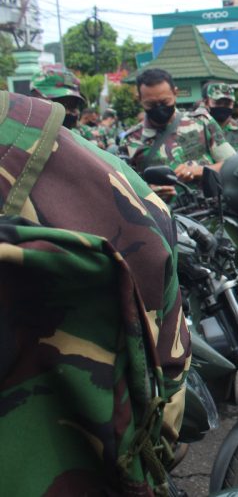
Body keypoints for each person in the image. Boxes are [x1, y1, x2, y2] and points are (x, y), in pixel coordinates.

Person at [0, 90, 189, 494]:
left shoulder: (194, 128)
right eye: (57, 100)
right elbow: (163, 406)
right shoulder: (104, 163)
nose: (68, 109)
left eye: (73, 102)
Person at [122, 68, 235, 196]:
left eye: (165, 102)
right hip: (163, 213)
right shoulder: (130, 141)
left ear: (176, 93)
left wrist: (198, 170)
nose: (159, 108)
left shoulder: (201, 122)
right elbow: (124, 190)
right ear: (139, 100)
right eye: (151, 104)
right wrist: (148, 193)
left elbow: (232, 164)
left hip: (209, 210)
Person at [201, 81, 238, 152]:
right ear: (206, 103)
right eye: (218, 103)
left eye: (227, 104)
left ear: (233, 105)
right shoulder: (199, 131)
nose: (222, 107)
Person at [30, 65, 85, 132]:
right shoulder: (20, 133)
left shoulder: (79, 134)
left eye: (72, 105)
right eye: (60, 103)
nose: (68, 112)